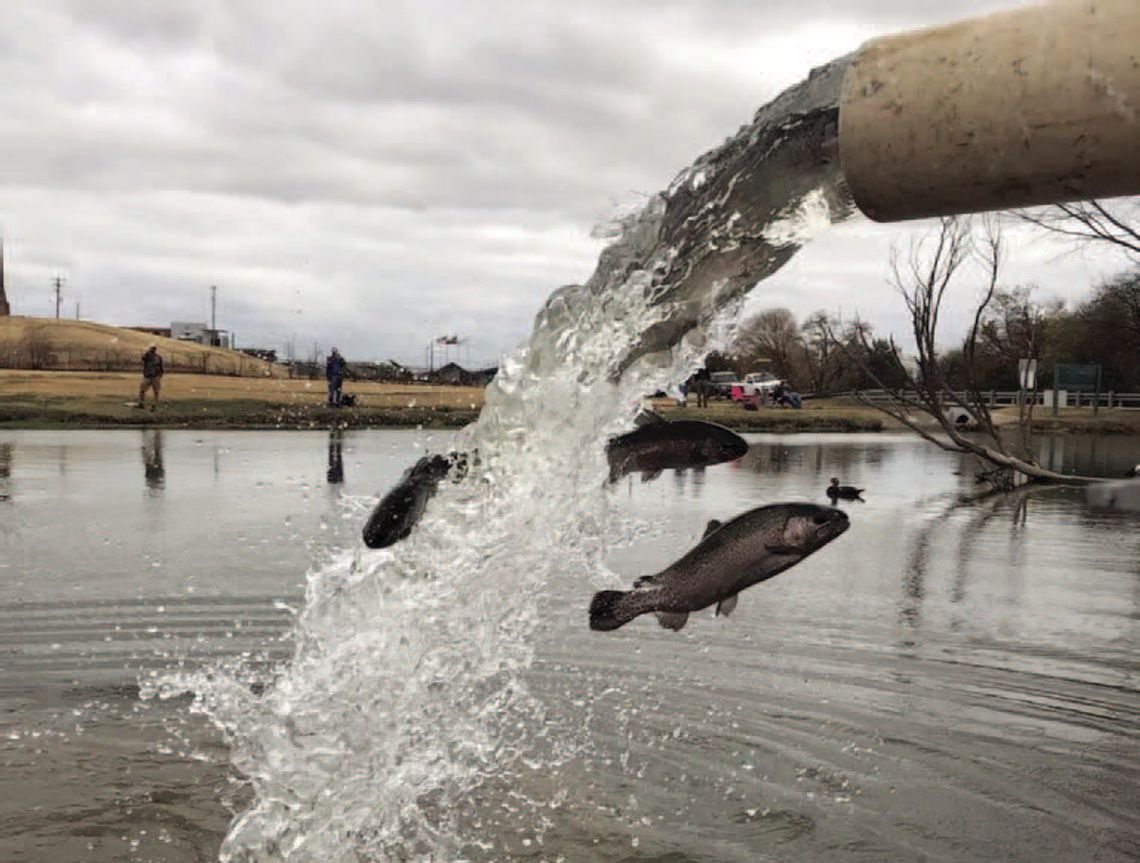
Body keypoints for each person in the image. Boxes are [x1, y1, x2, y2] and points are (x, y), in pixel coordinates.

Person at [137, 344, 164, 411]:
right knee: (142, 390)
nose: (153, 349)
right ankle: (141, 403)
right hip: (147, 376)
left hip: (155, 376)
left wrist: (160, 375)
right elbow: (143, 358)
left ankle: (154, 405)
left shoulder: (158, 357)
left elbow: (161, 367)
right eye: (152, 348)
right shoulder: (147, 356)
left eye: (154, 348)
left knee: (156, 391)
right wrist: (147, 352)